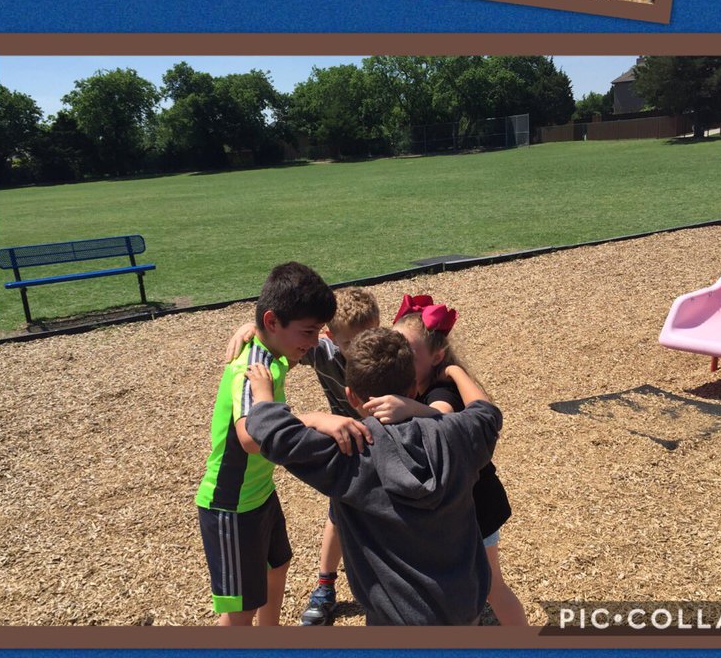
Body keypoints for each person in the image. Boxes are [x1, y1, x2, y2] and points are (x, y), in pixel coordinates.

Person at [246, 326, 502, 625]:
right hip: (463, 608)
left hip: (394, 621)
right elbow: (486, 413)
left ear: (351, 396)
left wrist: (271, 399)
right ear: (411, 390)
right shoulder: (455, 435)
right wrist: (455, 372)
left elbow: (272, 433)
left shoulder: (348, 455)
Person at [195, 262, 371, 626]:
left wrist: (252, 326)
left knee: (278, 564)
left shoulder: (273, 352)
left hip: (258, 492)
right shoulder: (251, 368)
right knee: (239, 612)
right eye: (307, 332)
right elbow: (249, 437)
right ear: (274, 322)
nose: (310, 343)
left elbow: (278, 339)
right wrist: (314, 418)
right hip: (231, 502)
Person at [363, 294, 527, 626]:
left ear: (437, 356)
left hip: (476, 506)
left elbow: (444, 416)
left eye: (409, 352)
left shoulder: (442, 389)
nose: (399, 357)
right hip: (457, 503)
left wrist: (412, 408)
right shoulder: (413, 381)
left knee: (492, 584)